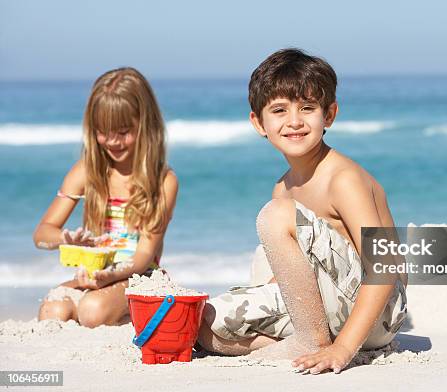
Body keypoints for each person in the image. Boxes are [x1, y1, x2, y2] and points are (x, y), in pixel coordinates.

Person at [197, 49, 407, 374]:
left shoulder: (343, 179)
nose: (294, 121)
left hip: (379, 315)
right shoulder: (283, 187)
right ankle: (309, 341)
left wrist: (343, 350)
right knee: (203, 326)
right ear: (258, 122)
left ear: (329, 115)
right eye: (279, 110)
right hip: (327, 308)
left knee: (276, 216)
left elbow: (384, 267)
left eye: (307, 108)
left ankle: (315, 342)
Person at [34, 67, 178, 328]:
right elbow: (42, 235)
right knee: (52, 309)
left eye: (123, 131)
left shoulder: (163, 181)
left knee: (92, 311)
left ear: (145, 125)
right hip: (93, 276)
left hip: (141, 276)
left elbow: (144, 255)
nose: (112, 141)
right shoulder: (87, 171)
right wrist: (66, 240)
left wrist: (107, 276)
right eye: (103, 131)